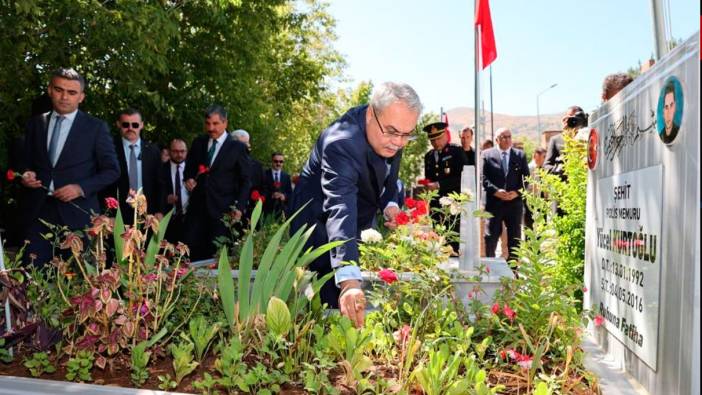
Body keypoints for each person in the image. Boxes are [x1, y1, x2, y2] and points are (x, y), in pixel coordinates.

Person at [288, 82, 421, 327]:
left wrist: (390, 204)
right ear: (371, 113)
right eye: (392, 132)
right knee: (328, 303)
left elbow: (385, 176)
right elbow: (340, 207)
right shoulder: (341, 142)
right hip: (320, 225)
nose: (399, 143)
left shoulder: (391, 130)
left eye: (406, 134)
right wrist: (349, 281)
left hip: (354, 219)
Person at [20, 67, 120, 266]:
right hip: (39, 211)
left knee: (80, 285)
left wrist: (80, 188)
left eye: (72, 92)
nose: (64, 97)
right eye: (59, 90)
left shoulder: (95, 127)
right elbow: (26, 162)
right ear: (50, 90)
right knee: (29, 277)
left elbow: (112, 170)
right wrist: (26, 175)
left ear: (81, 97)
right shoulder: (36, 124)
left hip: (79, 215)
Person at [183, 105, 251, 261]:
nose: (211, 128)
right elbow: (189, 170)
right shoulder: (198, 143)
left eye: (215, 124)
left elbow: (246, 180)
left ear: (225, 123)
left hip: (223, 212)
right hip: (197, 211)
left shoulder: (237, 148)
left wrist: (239, 207)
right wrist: (189, 179)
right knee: (191, 253)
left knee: (217, 256)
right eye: (208, 124)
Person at [102, 108, 161, 223]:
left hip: (147, 215)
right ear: (118, 124)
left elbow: (160, 184)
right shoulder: (109, 149)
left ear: (142, 125)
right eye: (125, 124)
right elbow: (102, 183)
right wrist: (105, 213)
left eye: (135, 125)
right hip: (116, 215)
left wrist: (159, 211)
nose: (130, 128)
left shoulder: (153, 151)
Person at [481, 127, 530, 264]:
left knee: (514, 238)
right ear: (497, 139)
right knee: (490, 238)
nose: (508, 139)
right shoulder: (486, 154)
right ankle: (489, 268)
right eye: (504, 137)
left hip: (514, 204)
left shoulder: (520, 155)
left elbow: (526, 178)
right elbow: (482, 177)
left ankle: (513, 271)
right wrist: (496, 191)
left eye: (509, 136)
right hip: (494, 203)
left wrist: (517, 193)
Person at [423, 121, 469, 253]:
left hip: (453, 205)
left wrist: (439, 185)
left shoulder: (456, 152)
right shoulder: (429, 156)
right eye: (432, 140)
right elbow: (429, 179)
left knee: (453, 239)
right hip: (436, 205)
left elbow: (462, 178)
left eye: (438, 138)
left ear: (445, 136)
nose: (436, 143)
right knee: (437, 240)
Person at [544, 105, 588, 180]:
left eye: (574, 118)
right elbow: (546, 166)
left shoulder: (588, 136)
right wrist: (562, 170)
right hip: (567, 187)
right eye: (569, 118)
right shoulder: (556, 140)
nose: (572, 121)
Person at [159, 138, 189, 244]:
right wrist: (166, 198)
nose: (179, 154)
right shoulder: (160, 169)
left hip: (189, 219)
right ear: (169, 151)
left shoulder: (193, 169)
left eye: (182, 151)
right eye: (175, 151)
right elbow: (155, 192)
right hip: (168, 219)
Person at [231, 129, 265, 215]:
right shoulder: (224, 162)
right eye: (243, 144)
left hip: (248, 212)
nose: (247, 146)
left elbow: (262, 187)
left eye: (247, 143)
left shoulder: (257, 166)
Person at [262, 152, 292, 217]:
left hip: (282, 211)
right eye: (276, 161)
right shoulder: (264, 174)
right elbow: (261, 190)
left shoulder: (286, 176)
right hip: (266, 210)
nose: (278, 163)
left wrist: (284, 196)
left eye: (281, 162)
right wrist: (271, 195)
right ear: (272, 161)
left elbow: (290, 193)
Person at [523, 147, 546, 230]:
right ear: (537, 156)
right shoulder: (531, 168)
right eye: (544, 156)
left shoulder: (540, 168)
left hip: (539, 201)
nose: (544, 159)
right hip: (531, 201)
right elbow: (528, 185)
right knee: (530, 226)